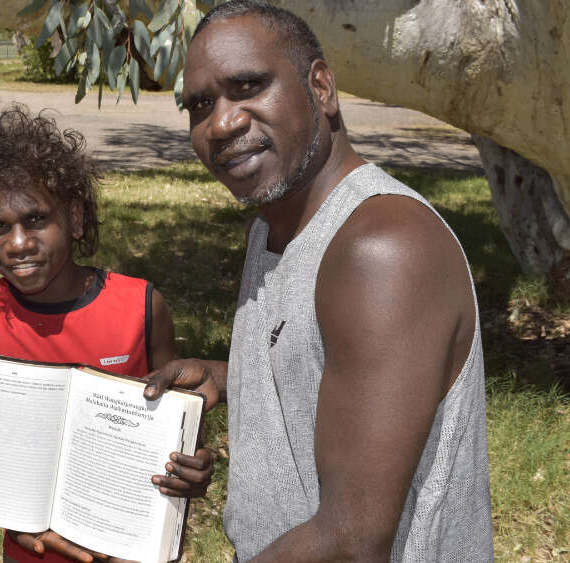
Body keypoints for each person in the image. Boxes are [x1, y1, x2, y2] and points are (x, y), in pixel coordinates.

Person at [143, 1, 493, 561]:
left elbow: (351, 542)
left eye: (249, 86)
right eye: (201, 106)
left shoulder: (382, 250)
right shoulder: (274, 223)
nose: (222, 123)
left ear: (322, 88)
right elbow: (346, 373)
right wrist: (233, 377)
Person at [0, 101, 214, 563]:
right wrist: (13, 523)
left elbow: (175, 432)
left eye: (37, 219)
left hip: (128, 548)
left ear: (75, 218)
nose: (19, 242)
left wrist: (192, 469)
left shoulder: (141, 306)